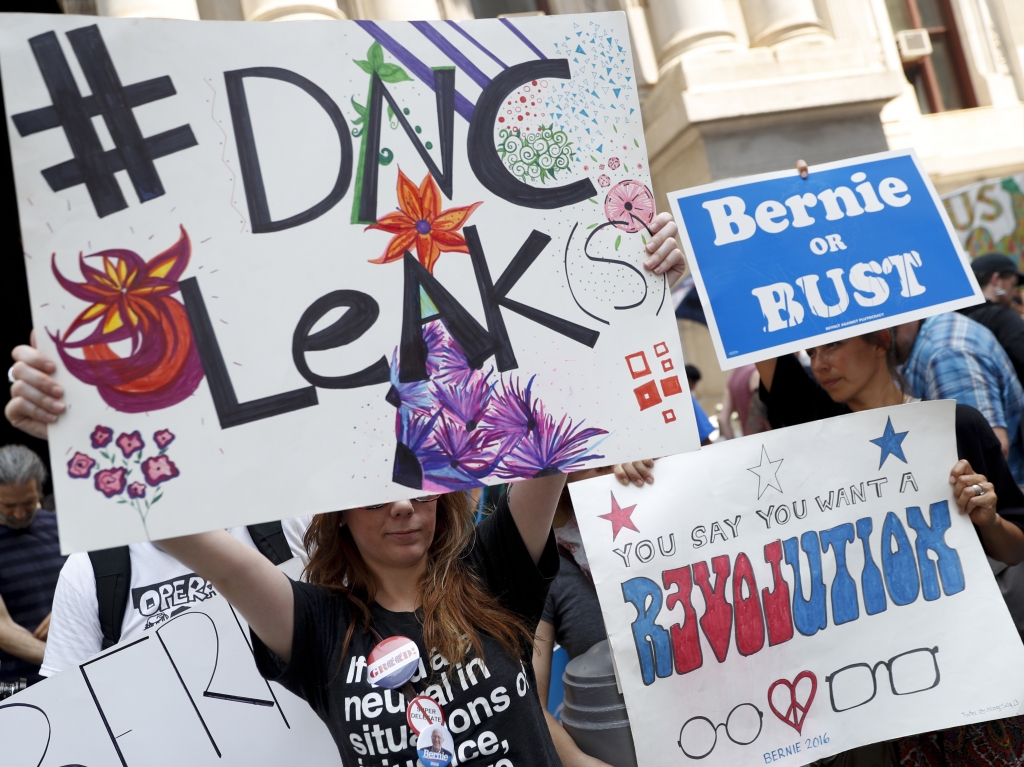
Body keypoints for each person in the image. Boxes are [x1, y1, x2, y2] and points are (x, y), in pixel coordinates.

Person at [6, 209, 690, 762]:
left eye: (420, 487)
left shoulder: (493, 572)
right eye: (373, 492)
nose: (402, 505)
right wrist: (74, 399)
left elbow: (559, 420)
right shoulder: (312, 623)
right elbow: (177, 520)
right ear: (336, 514)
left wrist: (642, 267)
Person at [756, 334, 1024, 766]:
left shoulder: (956, 426)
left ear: (880, 342)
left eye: (832, 347)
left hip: (967, 668)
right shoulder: (809, 424)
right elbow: (749, 330)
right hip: (869, 688)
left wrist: (988, 518)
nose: (819, 364)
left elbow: (1014, 550)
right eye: (811, 354)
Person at [895, 312, 1024, 484]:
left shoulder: (947, 354)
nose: (881, 338)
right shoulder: (931, 334)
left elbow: (982, 453)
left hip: (997, 499)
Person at [0, 445, 66, 685]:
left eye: (28, 502)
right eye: (7, 505)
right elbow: (2, 628)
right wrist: (65, 659)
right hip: (19, 685)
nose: (18, 514)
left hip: (78, 670)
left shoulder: (63, 526)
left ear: (39, 489)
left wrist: (68, 607)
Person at [960, 253, 1024, 384]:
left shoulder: (957, 317)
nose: (1014, 292)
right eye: (1012, 284)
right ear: (996, 280)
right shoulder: (1005, 318)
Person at [718, 363, 770, 440]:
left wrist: (736, 446)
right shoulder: (756, 371)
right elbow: (760, 410)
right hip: (767, 438)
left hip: (749, 441)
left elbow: (723, 420)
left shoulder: (732, 378)